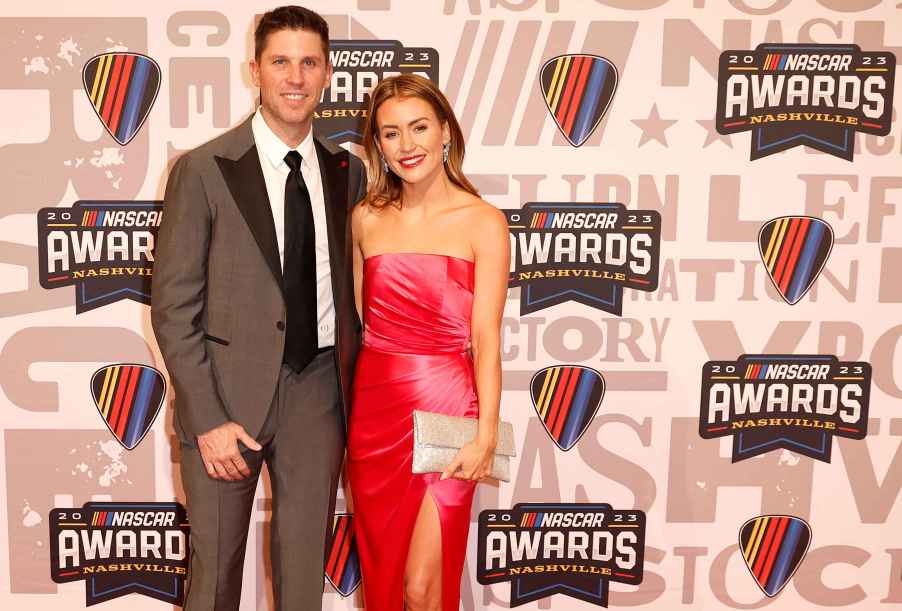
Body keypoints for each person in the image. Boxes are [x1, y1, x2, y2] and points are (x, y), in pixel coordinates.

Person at [150, 6, 366, 610]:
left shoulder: (349, 171)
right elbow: (172, 309)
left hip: (317, 395)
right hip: (225, 401)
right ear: (255, 70)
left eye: (308, 63)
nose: (294, 77)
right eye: (280, 62)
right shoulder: (203, 169)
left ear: (326, 73)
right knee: (214, 583)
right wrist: (208, 418)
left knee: (303, 588)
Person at [347, 74, 509, 611]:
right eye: (391, 134)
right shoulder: (366, 219)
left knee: (423, 588)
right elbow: (358, 323)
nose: (407, 145)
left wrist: (486, 435)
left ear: (445, 132)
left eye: (419, 127)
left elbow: (486, 337)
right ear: (378, 145)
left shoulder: (482, 222)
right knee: (385, 581)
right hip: (374, 414)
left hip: (447, 410)